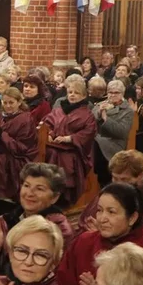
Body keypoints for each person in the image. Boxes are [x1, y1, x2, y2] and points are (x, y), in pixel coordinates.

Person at [0, 163, 74, 273]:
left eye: (39, 189)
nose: (29, 193)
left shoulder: (60, 230)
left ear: (54, 197)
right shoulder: (4, 222)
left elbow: (56, 274)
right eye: (26, 186)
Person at [79, 151, 143, 250]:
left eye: (124, 180)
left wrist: (106, 234)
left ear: (141, 175)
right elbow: (84, 223)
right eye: (115, 178)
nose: (118, 184)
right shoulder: (109, 193)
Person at [42, 74, 98, 204]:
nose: (72, 95)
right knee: (46, 153)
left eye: (76, 93)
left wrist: (69, 138)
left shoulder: (87, 114)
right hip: (53, 145)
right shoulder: (58, 109)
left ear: (84, 96)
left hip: (73, 150)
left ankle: (62, 195)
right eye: (70, 92)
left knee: (61, 157)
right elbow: (47, 123)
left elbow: (89, 132)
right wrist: (49, 134)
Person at [0, 87, 37, 201]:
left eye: (11, 103)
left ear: (19, 102)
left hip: (19, 158)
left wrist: (0, 133)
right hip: (5, 152)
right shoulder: (3, 116)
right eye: (5, 102)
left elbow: (21, 148)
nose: (8, 106)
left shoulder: (25, 119)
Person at [92, 81, 133, 182]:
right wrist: (99, 114)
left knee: (95, 145)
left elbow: (121, 132)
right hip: (97, 141)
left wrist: (106, 118)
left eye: (116, 93)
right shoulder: (99, 106)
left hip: (114, 143)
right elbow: (89, 124)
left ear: (122, 94)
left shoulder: (127, 110)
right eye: (110, 92)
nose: (113, 95)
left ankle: (101, 180)